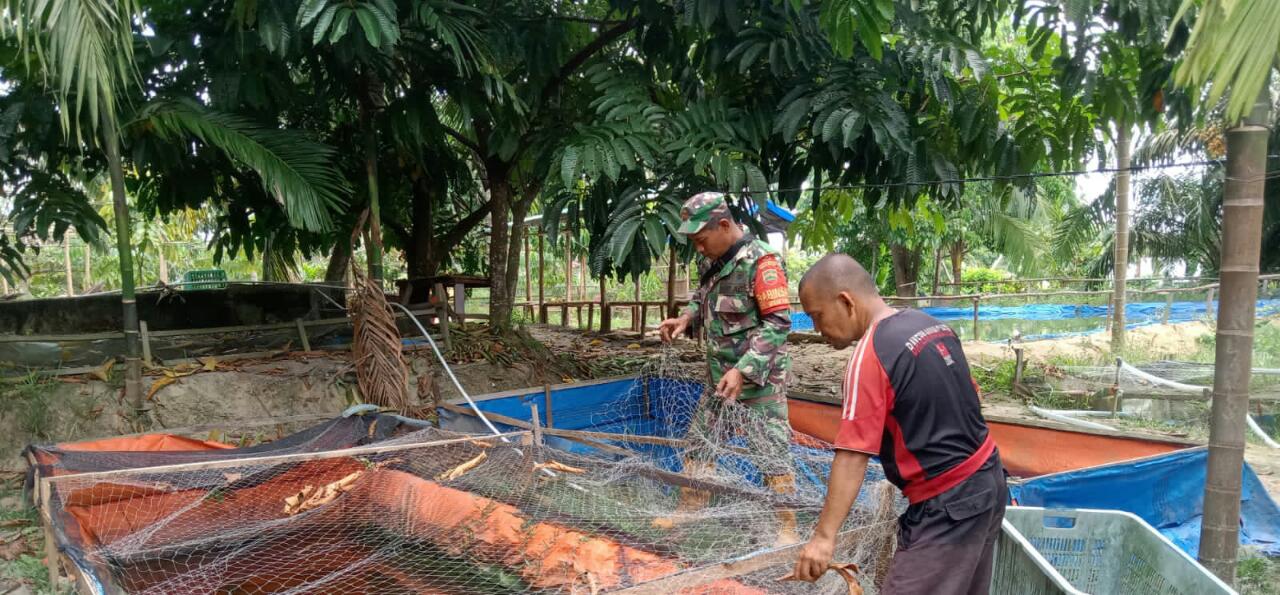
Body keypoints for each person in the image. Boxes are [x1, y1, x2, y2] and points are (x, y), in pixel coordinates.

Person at [791, 253, 1006, 595]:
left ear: (846, 301)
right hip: (989, 483)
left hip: (949, 504)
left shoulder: (872, 353)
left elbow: (852, 455)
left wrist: (823, 538)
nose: (817, 330)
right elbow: (971, 398)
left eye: (817, 316)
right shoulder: (931, 325)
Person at [655, 191, 798, 544]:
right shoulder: (711, 262)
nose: (699, 249)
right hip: (719, 380)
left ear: (723, 225)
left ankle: (787, 528)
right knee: (699, 445)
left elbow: (778, 323)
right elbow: (701, 297)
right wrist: (686, 318)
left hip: (758, 383)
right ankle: (690, 509)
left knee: (771, 454)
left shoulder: (762, 263)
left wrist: (744, 369)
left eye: (701, 241)